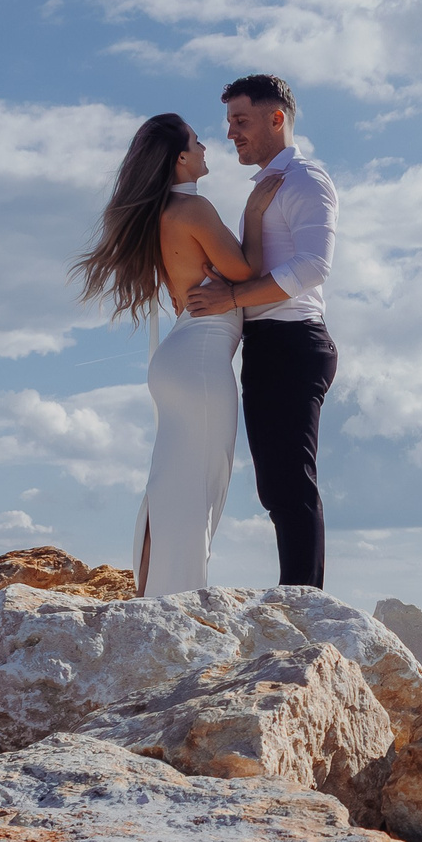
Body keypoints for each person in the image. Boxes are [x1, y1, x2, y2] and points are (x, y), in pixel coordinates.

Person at [74, 113, 271, 596]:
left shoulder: (159, 214)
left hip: (179, 356)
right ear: (181, 158)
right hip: (200, 360)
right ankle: (176, 604)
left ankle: (149, 600)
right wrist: (256, 214)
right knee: (197, 493)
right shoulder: (193, 209)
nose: (207, 148)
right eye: (198, 142)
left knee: (169, 489)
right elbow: (248, 272)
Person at [184, 73, 339, 587]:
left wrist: (230, 298)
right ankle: (300, 598)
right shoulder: (268, 187)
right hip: (270, 345)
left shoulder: (306, 181)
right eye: (229, 121)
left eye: (241, 120)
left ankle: (307, 606)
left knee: (289, 485)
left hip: (294, 342)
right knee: (276, 487)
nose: (230, 133)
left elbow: (313, 267)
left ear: (277, 118)